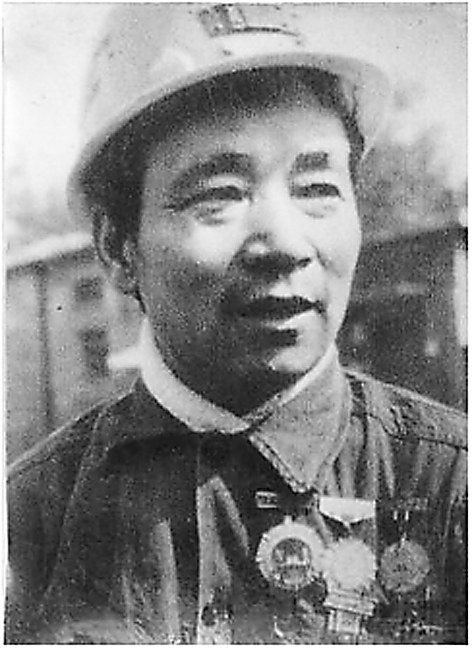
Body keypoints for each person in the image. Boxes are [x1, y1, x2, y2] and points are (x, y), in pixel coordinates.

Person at [6, 4, 466, 644]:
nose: (285, 244)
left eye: (317, 188)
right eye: (218, 195)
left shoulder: (449, 484)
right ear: (118, 248)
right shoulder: (28, 520)